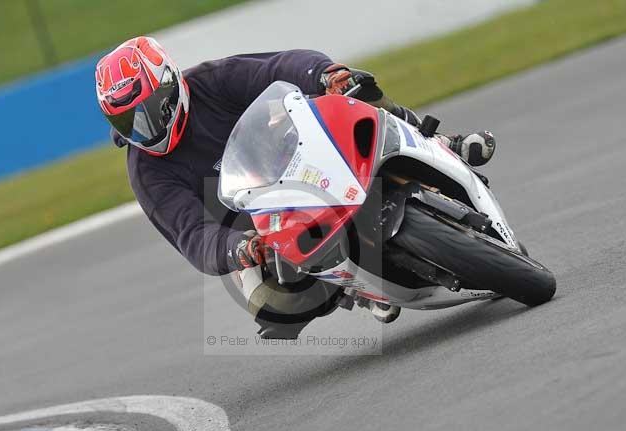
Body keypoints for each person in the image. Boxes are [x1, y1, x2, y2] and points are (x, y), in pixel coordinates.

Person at [95, 36, 497, 339]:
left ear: (170, 84)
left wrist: (323, 75)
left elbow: (278, 67)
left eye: (147, 114)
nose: (143, 132)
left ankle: (440, 143)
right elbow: (193, 236)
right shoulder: (146, 172)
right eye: (127, 124)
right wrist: (240, 249)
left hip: (296, 158)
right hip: (257, 225)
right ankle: (351, 291)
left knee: (353, 88)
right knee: (274, 311)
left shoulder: (210, 82)